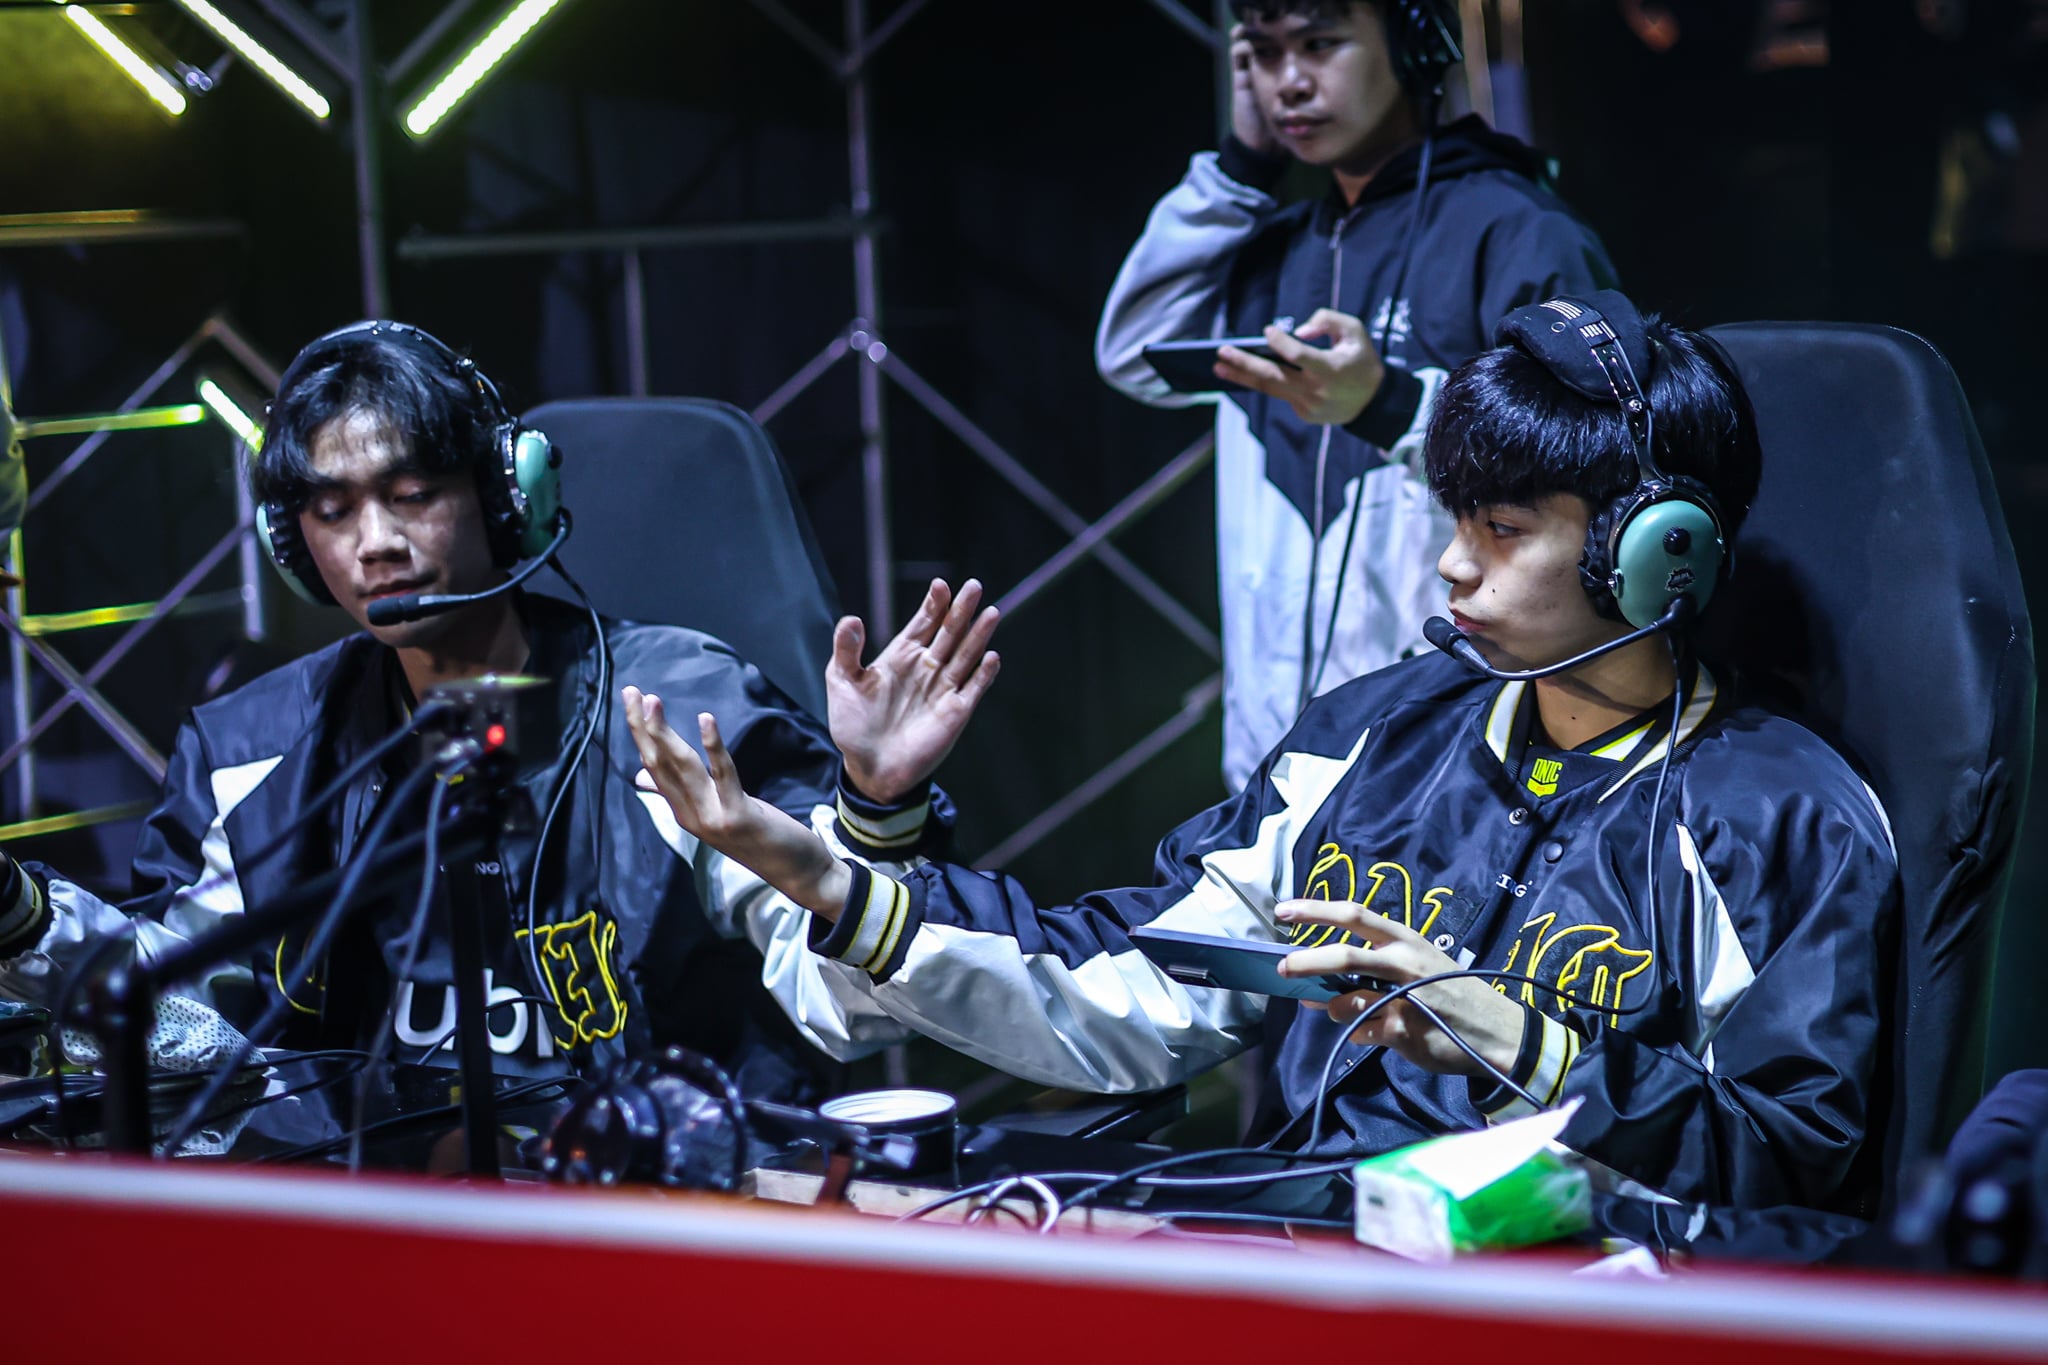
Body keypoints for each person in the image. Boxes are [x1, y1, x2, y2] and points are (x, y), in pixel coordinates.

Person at [629, 293, 1900, 1213]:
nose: (1451, 566)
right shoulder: (1371, 737)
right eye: (1452, 519)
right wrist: (830, 867)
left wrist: (1518, 1041)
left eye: (1503, 529)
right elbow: (1132, 990)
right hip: (1303, 1258)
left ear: (1656, 555)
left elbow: (1795, 1168)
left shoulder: (1782, 817)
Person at [0, 321, 993, 1104]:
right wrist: (18, 915)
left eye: (411, 493)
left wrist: (875, 808)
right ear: (293, 545)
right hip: (379, 1229)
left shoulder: (681, 714)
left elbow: (859, 1002)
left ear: (506, 494)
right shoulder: (249, 753)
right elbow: (162, 1013)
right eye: (333, 512)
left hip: (671, 1212)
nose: (375, 543)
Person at [1097, 0, 1617, 789]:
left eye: (1319, 44)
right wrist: (1240, 167)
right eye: (1264, 54)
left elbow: (1591, 461)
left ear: (1412, 46)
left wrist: (1391, 405)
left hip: (1449, 765)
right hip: (1272, 771)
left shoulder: (1517, 229)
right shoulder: (1265, 245)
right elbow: (1132, 353)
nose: (1289, 83)